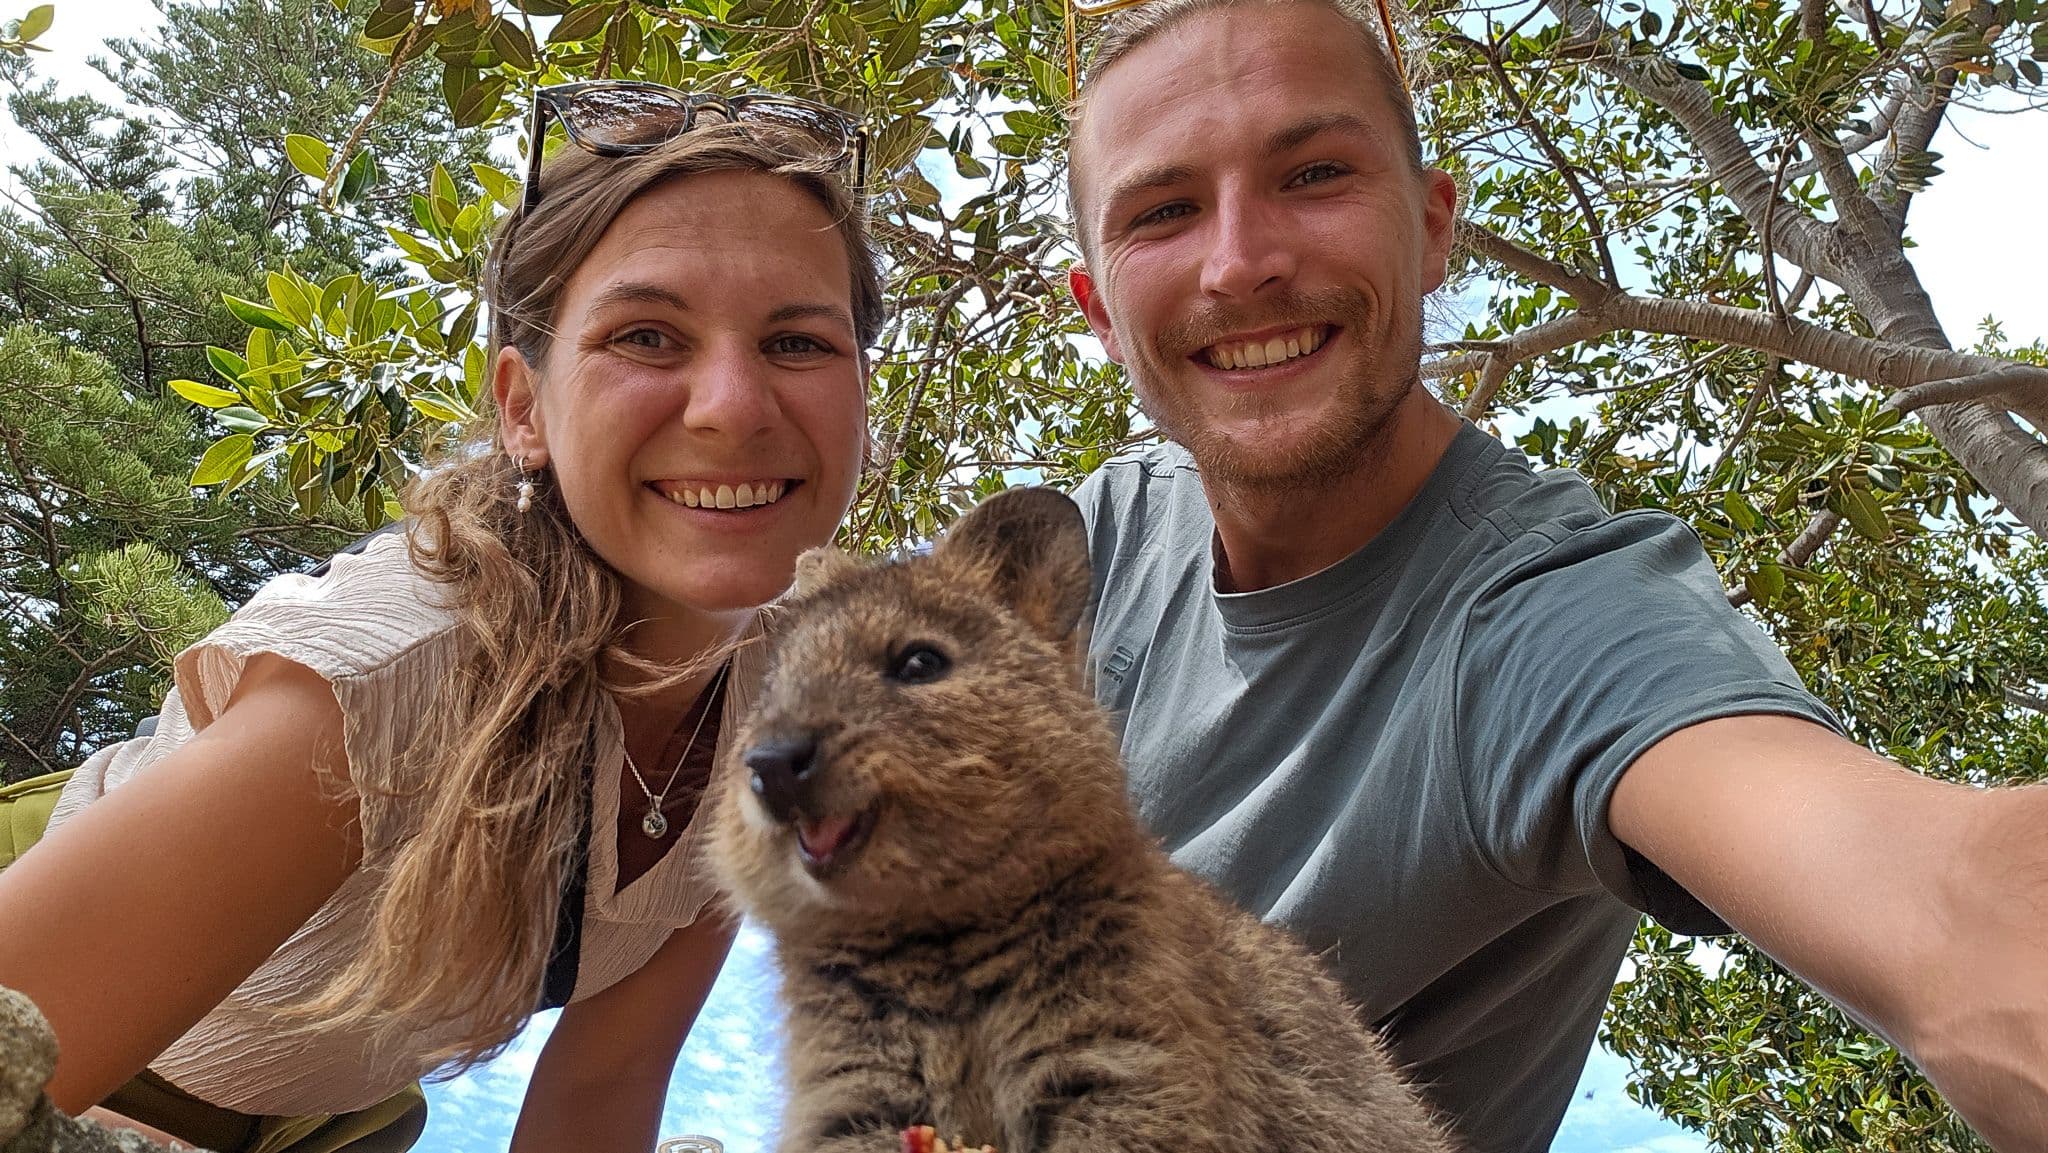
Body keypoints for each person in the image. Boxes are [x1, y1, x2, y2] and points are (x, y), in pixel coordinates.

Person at [1059, 2, 2048, 1150]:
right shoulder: (1100, 537)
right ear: (1099, 312)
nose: (1240, 262)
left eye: (1315, 172)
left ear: (1432, 230)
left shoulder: (1545, 615)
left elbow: (1941, 903)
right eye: (1163, 211)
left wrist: (1982, 930)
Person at [0, 84, 883, 1153]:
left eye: (798, 343)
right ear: (523, 409)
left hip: (330, 1113)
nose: (733, 407)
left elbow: (606, 1084)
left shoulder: (780, 719)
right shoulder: (398, 676)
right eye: (648, 336)